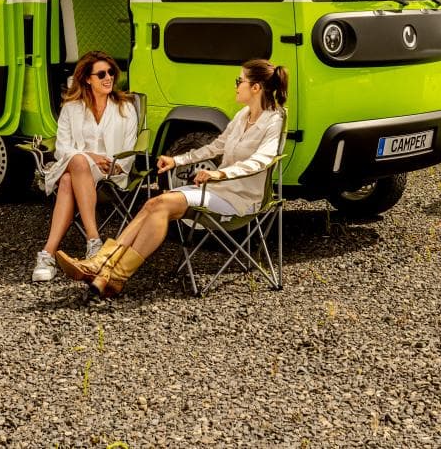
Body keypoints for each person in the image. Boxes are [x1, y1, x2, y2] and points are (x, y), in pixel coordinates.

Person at [55, 58, 288, 297]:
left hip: (241, 199)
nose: (236, 85)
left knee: (162, 204)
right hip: (219, 191)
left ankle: (108, 270)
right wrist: (176, 160)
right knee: (154, 203)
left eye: (240, 81)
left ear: (256, 88)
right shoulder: (242, 116)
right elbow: (215, 147)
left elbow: (263, 159)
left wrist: (220, 173)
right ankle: (106, 269)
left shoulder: (274, 119)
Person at [32, 51, 138, 283]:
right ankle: (93, 241)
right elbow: (62, 148)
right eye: (101, 74)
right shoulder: (72, 108)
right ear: (87, 79)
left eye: (111, 72)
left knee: (69, 177)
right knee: (76, 167)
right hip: (77, 166)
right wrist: (89, 155)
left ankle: (47, 254)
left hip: (111, 171)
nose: (108, 77)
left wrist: (116, 165)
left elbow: (130, 146)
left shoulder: (125, 108)